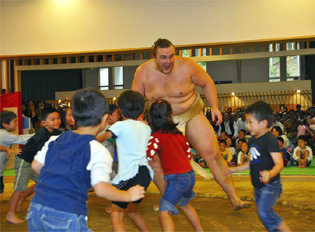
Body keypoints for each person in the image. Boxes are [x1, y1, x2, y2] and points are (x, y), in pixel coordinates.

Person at [132, 38, 249, 210]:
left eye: (171, 56)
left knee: (213, 154)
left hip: (191, 114)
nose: (168, 61)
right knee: (155, 161)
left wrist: (215, 107)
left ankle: (235, 199)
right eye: (163, 57)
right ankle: (168, 200)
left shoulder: (187, 66)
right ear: (154, 57)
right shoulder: (142, 72)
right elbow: (135, 100)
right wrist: (139, 121)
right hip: (162, 122)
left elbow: (207, 83)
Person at [26, 88, 145, 232]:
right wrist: (127, 195)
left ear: (74, 118)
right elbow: (101, 189)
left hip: (36, 210)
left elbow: (36, 165)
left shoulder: (54, 139)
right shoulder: (98, 150)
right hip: (66, 214)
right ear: (104, 119)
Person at [225, 101, 291, 232]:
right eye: (247, 121)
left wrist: (270, 173)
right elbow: (253, 162)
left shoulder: (270, 140)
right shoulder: (254, 139)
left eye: (250, 122)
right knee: (264, 216)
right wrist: (235, 169)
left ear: (263, 123)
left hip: (271, 184)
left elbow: (279, 163)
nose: (247, 125)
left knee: (264, 213)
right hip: (258, 186)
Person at [97, 90, 153, 232]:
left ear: (120, 110)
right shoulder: (146, 128)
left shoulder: (120, 126)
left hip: (130, 174)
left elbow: (100, 139)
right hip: (145, 174)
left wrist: (98, 128)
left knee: (116, 214)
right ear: (141, 109)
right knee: (132, 212)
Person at [146, 100, 203, 232]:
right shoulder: (179, 135)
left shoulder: (156, 137)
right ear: (170, 115)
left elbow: (148, 156)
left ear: (152, 118)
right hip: (190, 176)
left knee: (164, 212)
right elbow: (188, 154)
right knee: (185, 205)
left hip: (177, 179)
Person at [6, 107, 61, 224]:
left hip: (35, 162)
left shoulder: (56, 132)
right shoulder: (41, 135)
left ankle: (28, 202)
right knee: (20, 188)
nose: (56, 121)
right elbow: (46, 154)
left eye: (58, 118)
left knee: (44, 184)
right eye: (52, 119)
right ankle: (10, 214)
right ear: (43, 123)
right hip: (24, 161)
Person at [0, 111, 34, 194]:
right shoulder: (3, 135)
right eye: (14, 121)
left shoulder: (3, 134)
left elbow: (20, 137)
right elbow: (21, 140)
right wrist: (39, 136)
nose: (16, 124)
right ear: (4, 124)